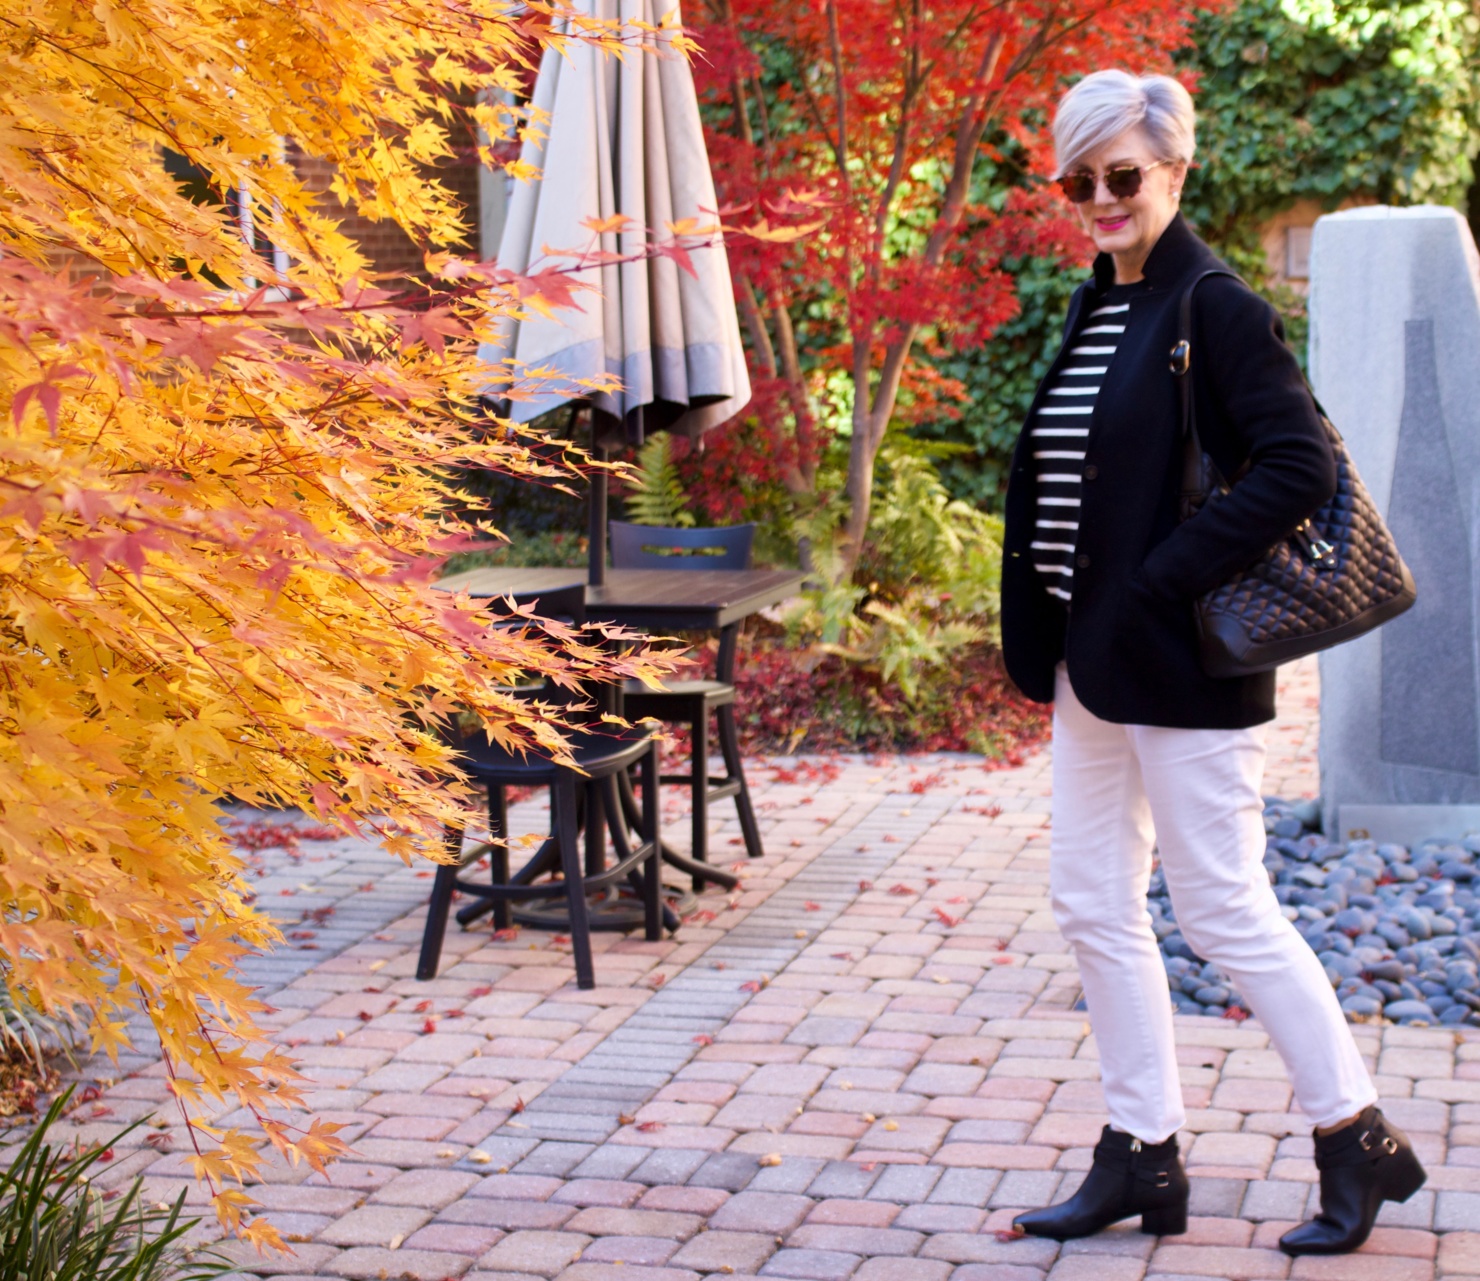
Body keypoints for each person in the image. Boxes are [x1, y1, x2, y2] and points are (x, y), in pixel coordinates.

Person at [999, 69, 1426, 1257]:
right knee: (1091, 903)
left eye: (1121, 175)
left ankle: (1357, 1136)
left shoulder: (1215, 306)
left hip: (1181, 666)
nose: (1099, 197)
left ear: (1175, 171)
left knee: (1223, 907)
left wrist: (1158, 577)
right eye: (1078, 179)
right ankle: (1142, 1154)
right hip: (1095, 669)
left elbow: (1298, 468)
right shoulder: (1100, 302)